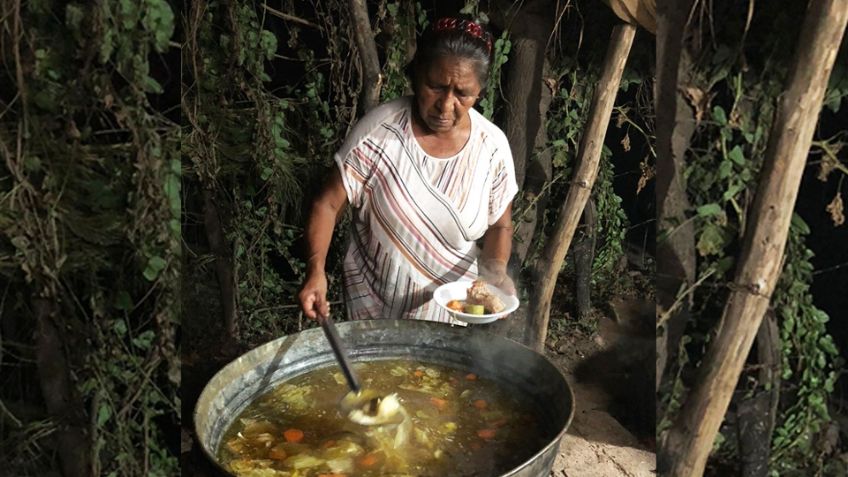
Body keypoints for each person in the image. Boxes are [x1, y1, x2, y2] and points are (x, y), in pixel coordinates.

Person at [298, 17, 518, 325]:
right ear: (416, 75)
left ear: (479, 91)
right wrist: (316, 271)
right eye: (436, 86)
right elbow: (328, 203)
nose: (445, 105)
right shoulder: (379, 133)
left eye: (462, 93)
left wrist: (495, 273)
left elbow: (500, 226)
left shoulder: (492, 147)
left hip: (450, 313)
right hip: (373, 304)